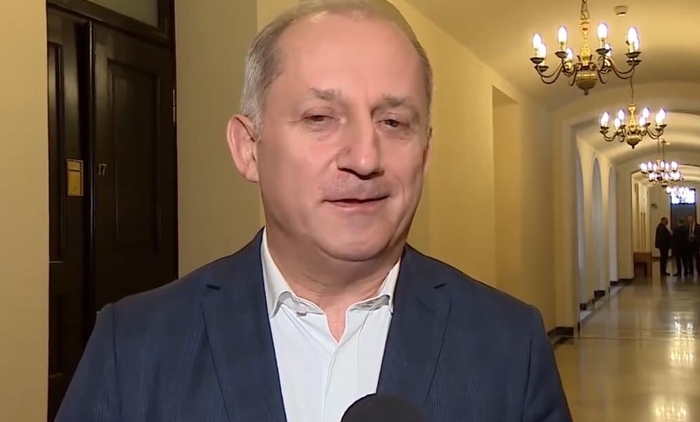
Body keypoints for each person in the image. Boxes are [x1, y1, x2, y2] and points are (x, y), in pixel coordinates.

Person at [54, 1, 572, 422]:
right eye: (321, 117)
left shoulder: (510, 346)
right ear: (249, 148)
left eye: (393, 122)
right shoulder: (135, 346)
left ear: (426, 153)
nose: (365, 158)